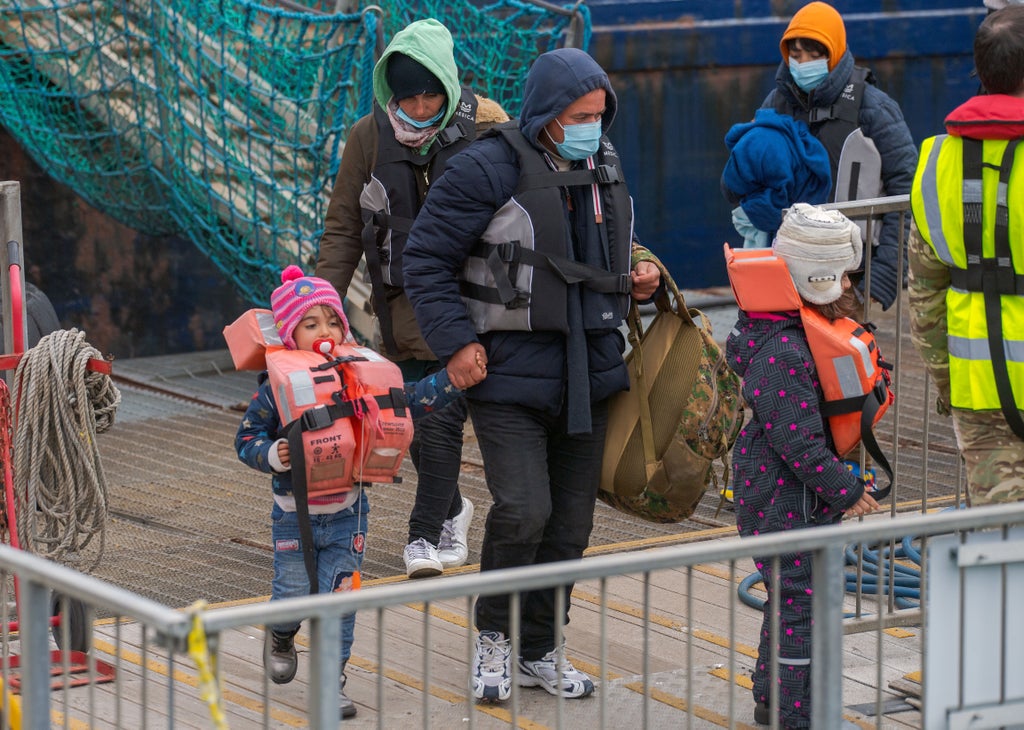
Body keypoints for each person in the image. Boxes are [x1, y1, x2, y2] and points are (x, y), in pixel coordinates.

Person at [401, 47, 661, 703]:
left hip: (591, 370)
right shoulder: (485, 168)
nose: (592, 128)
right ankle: (494, 638)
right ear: (546, 113)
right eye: (579, 115)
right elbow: (426, 262)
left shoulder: (604, 164)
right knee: (524, 510)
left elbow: (616, 243)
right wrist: (455, 343)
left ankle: (540, 648)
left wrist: (643, 275)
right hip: (509, 373)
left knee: (571, 525)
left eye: (600, 115)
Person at [316, 19, 509, 579]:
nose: (420, 109)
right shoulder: (367, 138)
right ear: (389, 95)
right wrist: (319, 310)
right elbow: (343, 230)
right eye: (408, 97)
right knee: (409, 421)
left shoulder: (490, 130)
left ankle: (425, 535)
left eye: (431, 95)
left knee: (442, 419)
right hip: (401, 303)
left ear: (449, 89)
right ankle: (453, 507)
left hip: (473, 296)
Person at [235, 266, 465, 719]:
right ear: (288, 334)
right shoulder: (274, 393)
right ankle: (280, 631)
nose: (326, 332)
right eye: (311, 323)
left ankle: (330, 680)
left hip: (349, 514)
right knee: (293, 593)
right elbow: (245, 440)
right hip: (293, 514)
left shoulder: (357, 373)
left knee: (342, 600)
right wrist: (273, 454)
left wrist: (452, 381)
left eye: (333, 321)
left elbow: (410, 398)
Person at [727, 204, 881, 727]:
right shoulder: (784, 350)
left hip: (791, 496)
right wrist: (845, 487)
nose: (847, 286)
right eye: (841, 276)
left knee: (787, 598)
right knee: (799, 610)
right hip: (784, 499)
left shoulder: (790, 335)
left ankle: (771, 697)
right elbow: (797, 442)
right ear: (818, 278)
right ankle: (797, 714)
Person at [908, 4, 1024, 505]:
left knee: (1000, 553)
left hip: (979, 392)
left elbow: (925, 299)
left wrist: (949, 388)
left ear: (980, 71)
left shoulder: (935, 163)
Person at [760, 1, 918, 310]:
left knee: (841, 359)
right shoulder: (775, 105)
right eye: (796, 53)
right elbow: (751, 182)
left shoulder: (874, 109)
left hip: (850, 281)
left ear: (833, 53)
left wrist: (883, 279)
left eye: (814, 54)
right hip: (786, 273)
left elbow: (908, 193)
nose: (803, 62)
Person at [721, 107, 832, 247]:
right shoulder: (782, 135)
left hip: (795, 230)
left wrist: (751, 208)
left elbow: (731, 190)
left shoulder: (756, 146)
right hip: (815, 224)